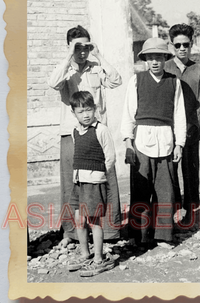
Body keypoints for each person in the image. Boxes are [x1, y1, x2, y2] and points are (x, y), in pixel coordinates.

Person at [48, 25, 122, 247]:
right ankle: (71, 232)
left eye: (86, 47)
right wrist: (68, 55)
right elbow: (53, 83)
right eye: (78, 47)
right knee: (71, 184)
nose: (82, 52)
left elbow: (116, 80)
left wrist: (99, 56)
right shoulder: (65, 70)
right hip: (71, 134)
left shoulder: (96, 67)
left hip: (96, 132)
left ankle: (109, 231)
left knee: (105, 180)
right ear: (70, 47)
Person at [121, 37, 187, 245]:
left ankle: (163, 235)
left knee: (165, 190)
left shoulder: (174, 82)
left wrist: (179, 144)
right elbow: (128, 113)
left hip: (166, 140)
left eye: (159, 57)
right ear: (145, 61)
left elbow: (179, 114)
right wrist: (128, 142)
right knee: (141, 188)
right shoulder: (136, 80)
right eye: (151, 58)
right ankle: (138, 234)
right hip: (141, 140)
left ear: (165, 59)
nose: (155, 62)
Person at [66, 91, 116, 277]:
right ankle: (85, 253)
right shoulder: (75, 131)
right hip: (78, 182)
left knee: (94, 221)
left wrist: (99, 175)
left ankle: (98, 259)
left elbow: (110, 157)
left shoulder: (101, 130)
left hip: (94, 182)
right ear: (74, 113)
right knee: (79, 219)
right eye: (81, 111)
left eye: (89, 110)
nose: (86, 114)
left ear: (95, 109)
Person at [165, 24, 200, 223]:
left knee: (191, 171)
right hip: (169, 130)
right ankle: (172, 213)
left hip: (191, 128)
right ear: (171, 45)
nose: (182, 48)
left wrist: (194, 125)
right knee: (170, 171)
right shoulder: (165, 67)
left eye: (186, 44)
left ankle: (190, 214)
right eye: (178, 45)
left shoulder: (198, 70)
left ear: (191, 45)